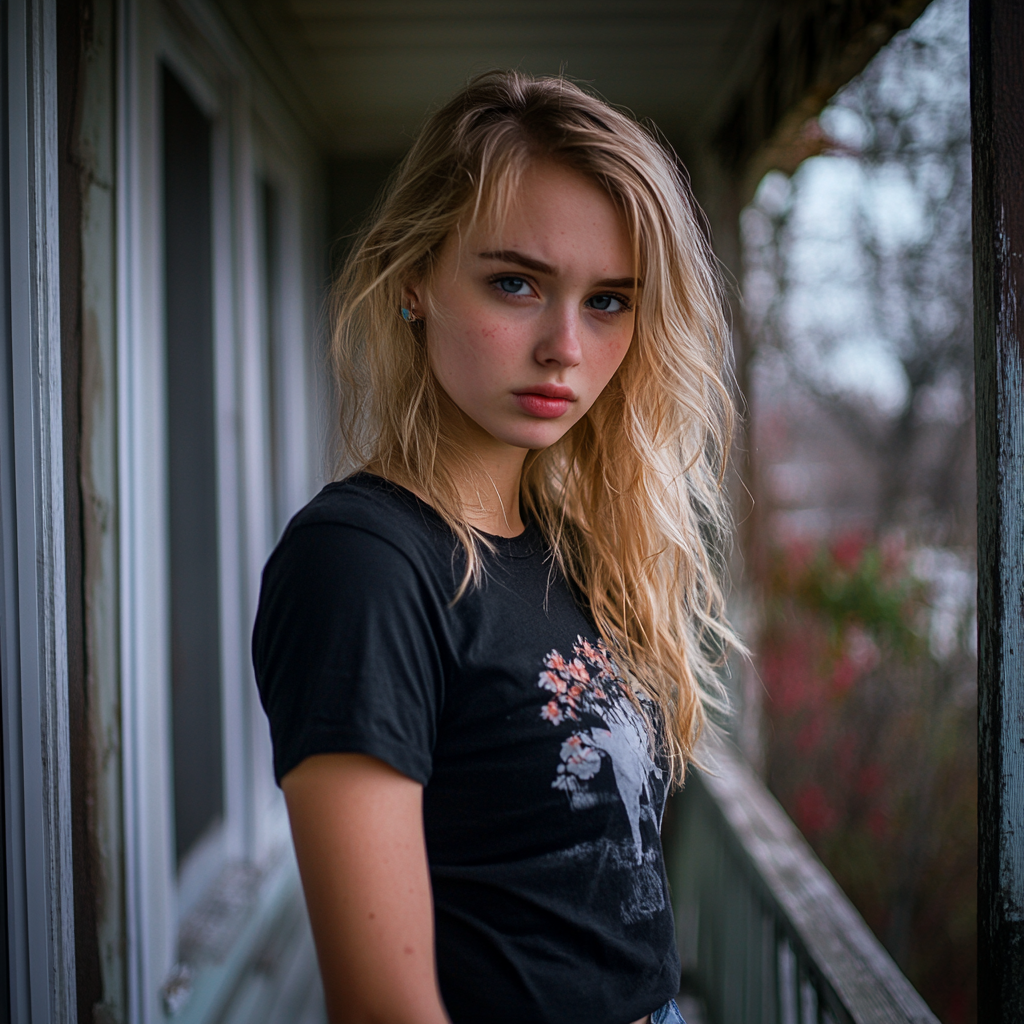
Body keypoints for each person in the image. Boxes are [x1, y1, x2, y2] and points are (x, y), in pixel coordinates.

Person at [253, 70, 740, 1024]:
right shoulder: (362, 565)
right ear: (414, 283)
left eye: (608, 301)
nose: (565, 344)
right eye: (515, 283)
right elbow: (385, 1006)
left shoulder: (571, 547)